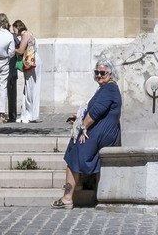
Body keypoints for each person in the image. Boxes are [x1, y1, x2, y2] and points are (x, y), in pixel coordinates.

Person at [61, 58, 122, 207]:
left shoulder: (110, 88)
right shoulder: (105, 88)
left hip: (104, 134)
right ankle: (74, 192)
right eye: (97, 72)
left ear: (110, 74)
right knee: (74, 149)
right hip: (101, 130)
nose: (99, 75)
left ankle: (68, 198)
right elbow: (95, 109)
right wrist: (79, 118)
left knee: (75, 152)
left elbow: (95, 112)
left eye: (102, 72)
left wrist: (83, 126)